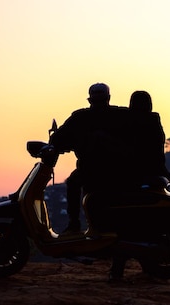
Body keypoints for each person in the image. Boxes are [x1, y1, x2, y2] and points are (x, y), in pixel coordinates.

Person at [108, 90, 170, 281]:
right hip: (153, 176)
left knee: (124, 224)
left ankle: (117, 269)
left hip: (135, 179)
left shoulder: (132, 124)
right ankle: (145, 265)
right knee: (142, 224)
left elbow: (125, 152)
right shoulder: (154, 122)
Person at [50, 83, 127, 233]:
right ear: (109, 98)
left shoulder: (81, 117)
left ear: (89, 100)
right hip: (116, 169)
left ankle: (74, 224)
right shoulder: (119, 115)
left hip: (93, 169)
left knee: (73, 183)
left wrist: (55, 142)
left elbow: (60, 136)